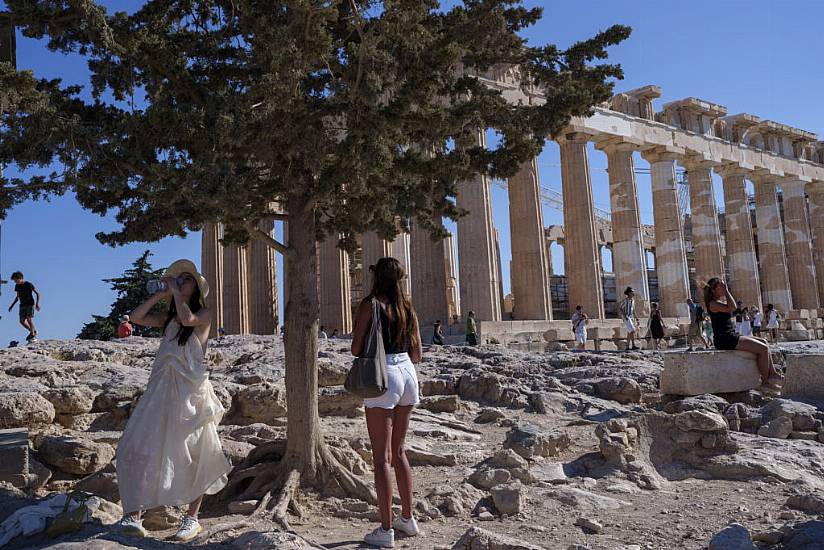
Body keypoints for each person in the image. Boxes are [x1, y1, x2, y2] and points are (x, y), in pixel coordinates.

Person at [114, 259, 231, 541]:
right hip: (161, 391)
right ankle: (133, 515)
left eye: (185, 279)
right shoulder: (168, 319)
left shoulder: (205, 312)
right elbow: (137, 316)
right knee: (137, 444)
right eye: (178, 278)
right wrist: (160, 294)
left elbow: (188, 320)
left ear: (196, 288)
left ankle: (191, 519)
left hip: (191, 392)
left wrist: (177, 295)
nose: (180, 282)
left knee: (195, 450)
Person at [351, 257, 422, 547]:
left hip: (384, 374)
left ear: (376, 276)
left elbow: (356, 348)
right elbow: (418, 352)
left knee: (381, 458)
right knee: (400, 451)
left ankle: (385, 530)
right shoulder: (407, 307)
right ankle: (408, 518)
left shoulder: (371, 304)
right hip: (408, 373)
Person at [704, 277, 782, 388]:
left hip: (730, 335)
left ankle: (773, 374)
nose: (724, 286)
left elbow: (732, 307)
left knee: (764, 341)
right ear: (714, 289)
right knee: (763, 349)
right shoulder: (713, 304)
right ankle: (765, 382)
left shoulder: (718, 302)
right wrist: (726, 291)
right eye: (721, 285)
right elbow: (733, 307)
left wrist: (725, 291)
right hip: (724, 339)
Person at [8, 272, 41, 343]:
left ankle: (33, 335)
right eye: (14, 281)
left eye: (16, 280)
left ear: (20, 278)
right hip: (22, 305)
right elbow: (17, 297)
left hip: (30, 304)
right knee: (21, 321)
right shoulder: (17, 286)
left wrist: (37, 304)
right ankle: (33, 331)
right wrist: (12, 306)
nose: (15, 282)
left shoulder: (28, 284)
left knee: (29, 319)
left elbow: (37, 293)